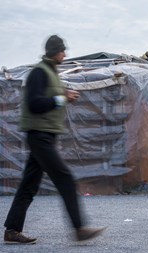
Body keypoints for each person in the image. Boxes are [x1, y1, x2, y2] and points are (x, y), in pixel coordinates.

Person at [3, 35, 105, 244]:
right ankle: (79, 229)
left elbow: (47, 98)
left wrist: (63, 94)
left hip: (44, 135)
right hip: (39, 136)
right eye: (62, 51)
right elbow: (34, 104)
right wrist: (62, 98)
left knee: (28, 185)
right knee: (65, 178)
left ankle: (12, 230)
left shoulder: (50, 73)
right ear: (54, 51)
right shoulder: (39, 72)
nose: (65, 54)